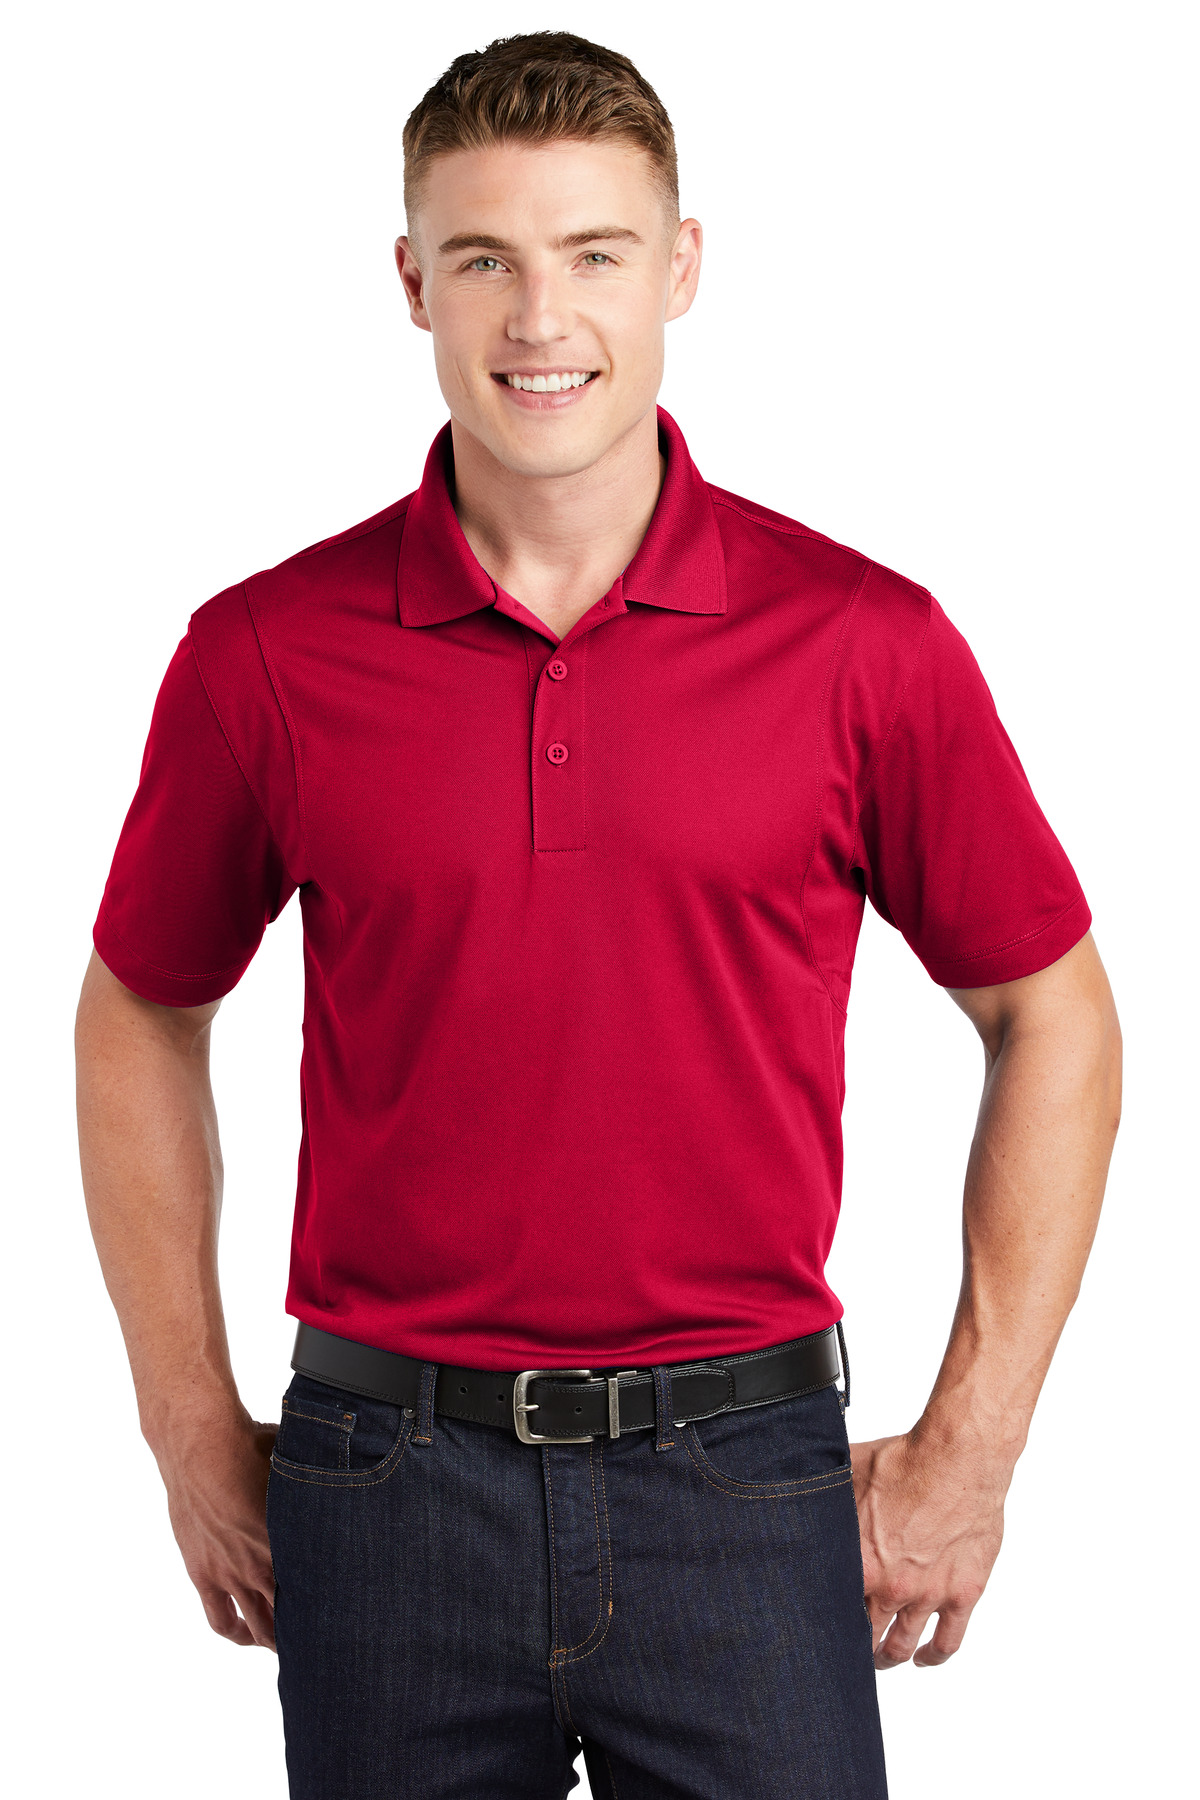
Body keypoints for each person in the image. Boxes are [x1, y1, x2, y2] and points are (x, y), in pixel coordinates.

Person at [75, 31, 1121, 1800]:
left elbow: (1056, 1014)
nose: (540, 318)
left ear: (682, 267)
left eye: (594, 253)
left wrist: (974, 1444)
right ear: (411, 282)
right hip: (385, 1477)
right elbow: (138, 1011)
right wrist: (187, 1428)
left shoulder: (862, 645)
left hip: (746, 1472)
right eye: (484, 257)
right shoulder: (266, 655)